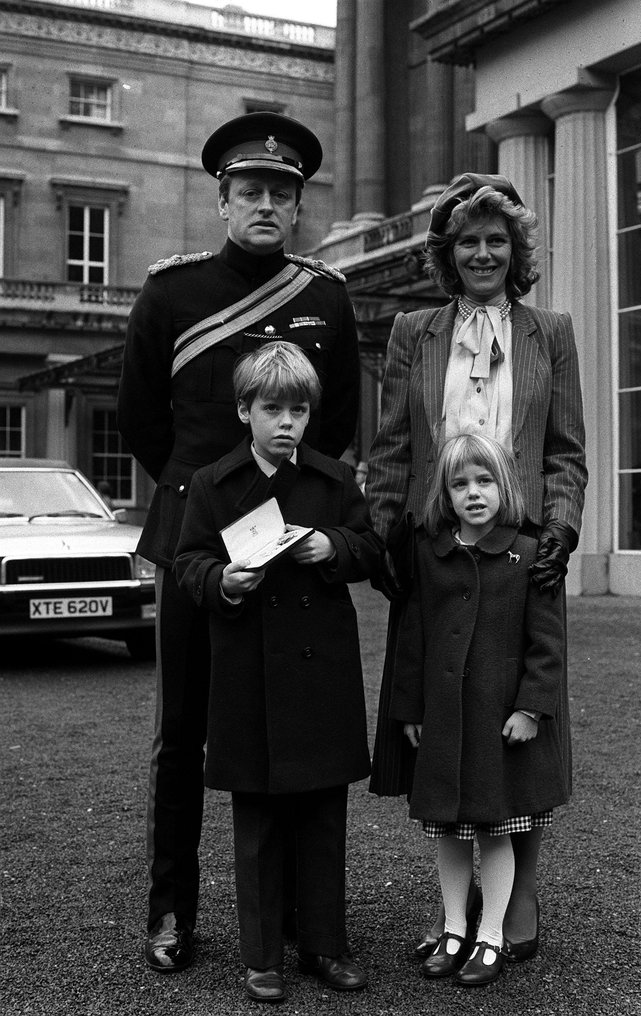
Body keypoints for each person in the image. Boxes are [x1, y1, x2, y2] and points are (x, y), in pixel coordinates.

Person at [117, 111, 361, 973]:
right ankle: (171, 912)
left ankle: (297, 918)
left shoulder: (326, 297)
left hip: (292, 546)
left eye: (282, 193)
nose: (266, 204)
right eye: (250, 190)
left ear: (298, 207)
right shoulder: (170, 293)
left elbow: (338, 428)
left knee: (290, 725)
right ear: (222, 200)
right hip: (197, 539)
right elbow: (141, 417)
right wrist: (203, 498)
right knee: (183, 732)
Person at [366, 172, 587, 961]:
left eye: (497, 240)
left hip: (521, 551)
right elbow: (392, 444)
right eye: (468, 241)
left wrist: (560, 528)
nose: (484, 252)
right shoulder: (412, 332)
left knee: (517, 719)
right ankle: (459, 911)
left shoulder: (549, 331)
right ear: (447, 253)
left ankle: (515, 895)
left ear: (516, 251)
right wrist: (385, 532)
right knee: (445, 714)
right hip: (437, 549)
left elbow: (565, 450)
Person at [173, 342, 381, 1003]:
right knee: (258, 822)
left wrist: (334, 547)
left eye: (299, 409)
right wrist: (223, 582)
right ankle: (262, 957)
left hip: (321, 675)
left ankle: (325, 945)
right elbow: (188, 562)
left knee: (323, 818)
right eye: (273, 409)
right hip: (248, 676)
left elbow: (370, 549)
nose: (287, 422)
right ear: (244, 411)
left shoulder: (332, 480)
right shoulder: (211, 483)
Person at [389, 433, 568, 987]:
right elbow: (414, 638)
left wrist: (531, 710)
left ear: (504, 486)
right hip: (444, 720)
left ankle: (490, 937)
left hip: (498, 723)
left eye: (484, 481)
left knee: (494, 831)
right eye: (460, 483)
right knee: (447, 831)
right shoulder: (432, 553)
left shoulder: (530, 555)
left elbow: (548, 644)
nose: (473, 493)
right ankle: (452, 929)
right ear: (444, 492)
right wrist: (410, 709)